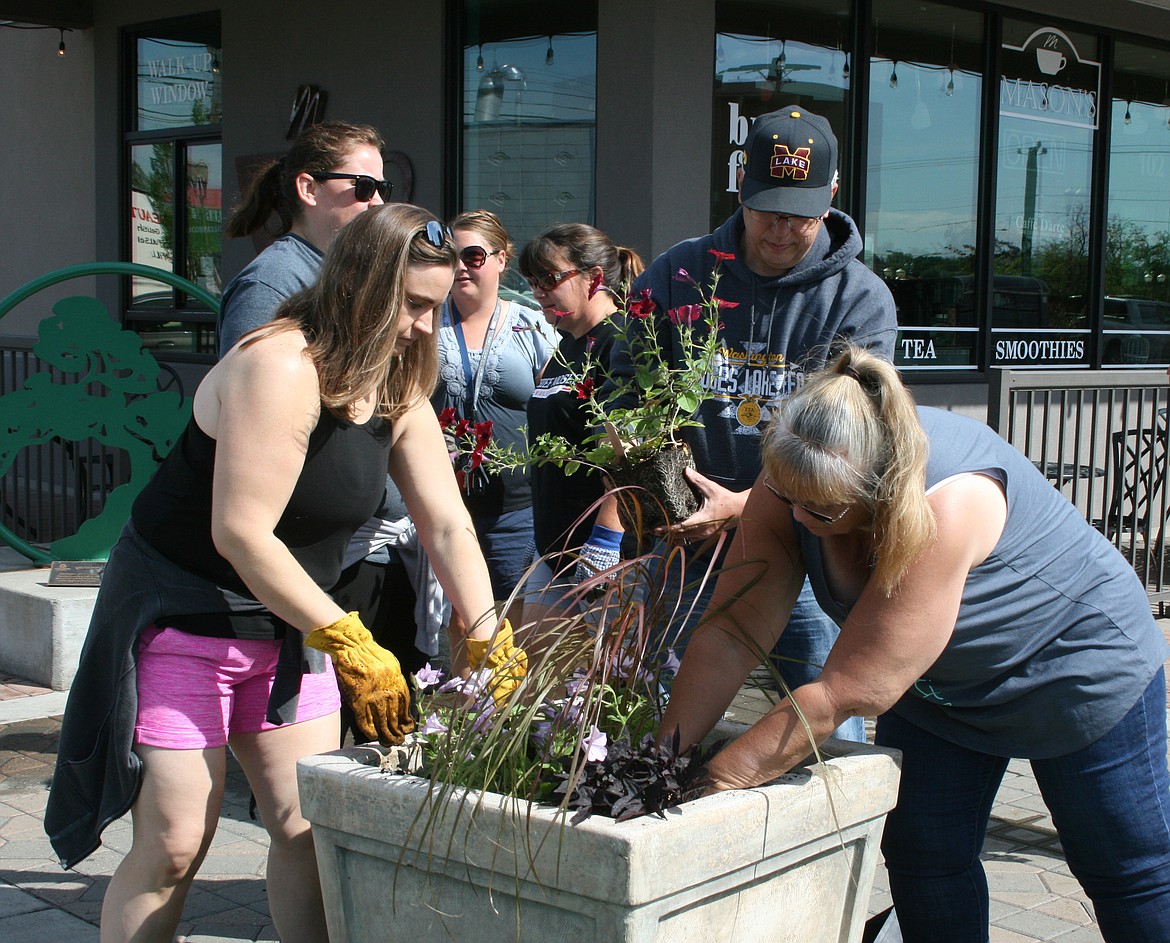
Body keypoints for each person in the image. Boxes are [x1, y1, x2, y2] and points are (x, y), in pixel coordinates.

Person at [45, 204, 525, 943]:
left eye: (437, 308)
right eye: (416, 306)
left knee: (307, 827)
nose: (428, 327)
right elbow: (239, 530)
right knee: (175, 843)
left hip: (292, 625)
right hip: (184, 618)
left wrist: (488, 630)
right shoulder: (280, 363)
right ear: (364, 288)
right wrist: (349, 638)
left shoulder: (398, 381)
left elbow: (448, 521)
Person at [661, 344, 1170, 943]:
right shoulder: (796, 482)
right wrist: (664, 756)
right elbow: (731, 631)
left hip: (1071, 666)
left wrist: (716, 784)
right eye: (786, 496)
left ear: (879, 491)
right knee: (923, 856)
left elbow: (849, 690)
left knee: (1123, 865)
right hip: (940, 689)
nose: (797, 518)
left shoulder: (951, 502)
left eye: (821, 511)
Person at [628, 106, 897, 736]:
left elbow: (853, 445)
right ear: (740, 185)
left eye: (799, 214)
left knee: (820, 727)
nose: (779, 229)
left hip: (800, 546)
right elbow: (626, 378)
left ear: (831, 197)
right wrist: (648, 460)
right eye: (765, 208)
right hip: (688, 546)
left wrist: (748, 507)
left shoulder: (859, 300)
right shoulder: (681, 272)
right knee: (664, 718)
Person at [219, 121, 442, 729]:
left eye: (384, 185)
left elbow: (446, 520)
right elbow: (260, 452)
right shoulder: (273, 289)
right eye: (364, 186)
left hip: (334, 555)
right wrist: (341, 634)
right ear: (309, 188)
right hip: (250, 585)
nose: (378, 200)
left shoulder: (361, 307)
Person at [432, 210, 553, 663]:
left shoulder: (532, 326)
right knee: (458, 620)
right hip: (443, 505)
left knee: (508, 625)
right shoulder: (425, 320)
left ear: (502, 261)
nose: (461, 266)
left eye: (474, 256)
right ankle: (463, 715)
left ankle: (505, 724)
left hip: (515, 510)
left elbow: (566, 402)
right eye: (452, 256)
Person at [516, 223, 643, 630]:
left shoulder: (620, 340)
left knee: (608, 684)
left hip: (602, 553)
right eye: (532, 281)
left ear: (595, 278)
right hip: (555, 548)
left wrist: (605, 541)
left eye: (550, 279)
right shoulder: (569, 344)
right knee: (530, 669)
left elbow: (627, 451)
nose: (538, 291)